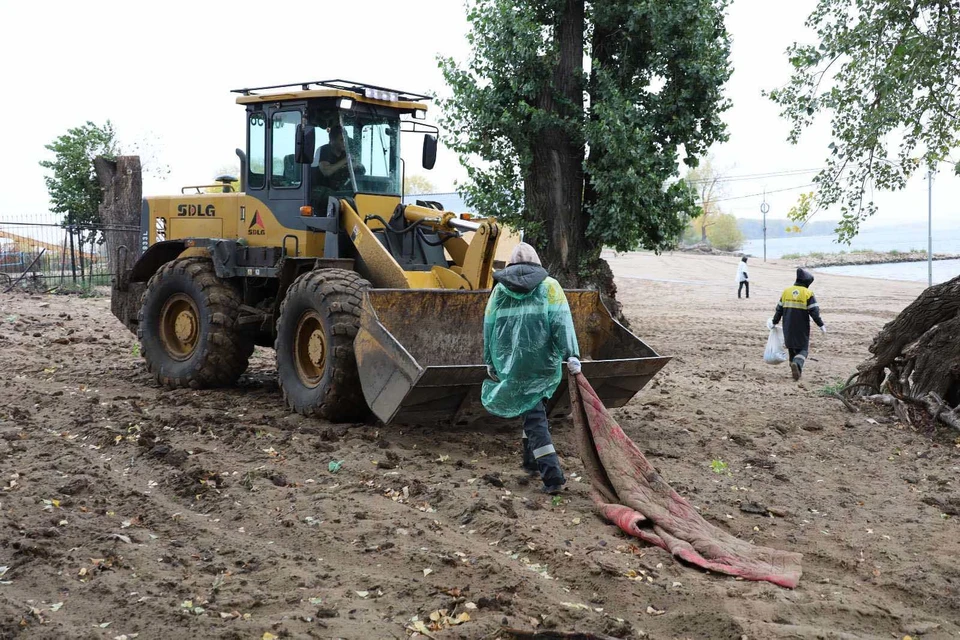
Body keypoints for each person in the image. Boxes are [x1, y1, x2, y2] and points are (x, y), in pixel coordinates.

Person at [481, 242, 581, 495]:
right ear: (536, 262)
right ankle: (547, 473)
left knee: (532, 413)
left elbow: (489, 327)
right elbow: (562, 323)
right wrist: (572, 355)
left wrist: (490, 361)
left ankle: (540, 469)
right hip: (542, 364)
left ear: (510, 265)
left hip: (511, 365)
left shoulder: (499, 291)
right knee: (535, 415)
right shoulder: (550, 287)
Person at [772, 267, 826, 381]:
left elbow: (779, 310)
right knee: (803, 350)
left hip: (787, 326)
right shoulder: (808, 293)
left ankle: (795, 371)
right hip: (801, 327)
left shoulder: (786, 291)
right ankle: (797, 364)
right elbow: (814, 312)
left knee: (792, 348)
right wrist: (821, 325)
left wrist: (774, 322)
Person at [313, 125, 362, 190]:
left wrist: (354, 165)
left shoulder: (345, 153)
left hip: (339, 189)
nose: (345, 143)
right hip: (321, 188)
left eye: (346, 139)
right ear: (332, 140)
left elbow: (360, 169)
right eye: (341, 140)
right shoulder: (325, 150)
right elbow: (326, 172)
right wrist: (346, 160)